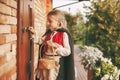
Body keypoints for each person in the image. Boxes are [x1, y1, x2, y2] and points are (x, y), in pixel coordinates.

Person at [29, 9, 75, 80]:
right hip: (45, 61)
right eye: (47, 21)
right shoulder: (48, 34)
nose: (47, 23)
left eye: (50, 21)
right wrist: (34, 34)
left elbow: (67, 51)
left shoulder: (63, 34)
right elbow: (40, 41)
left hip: (55, 62)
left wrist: (56, 46)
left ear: (58, 23)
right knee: (44, 77)